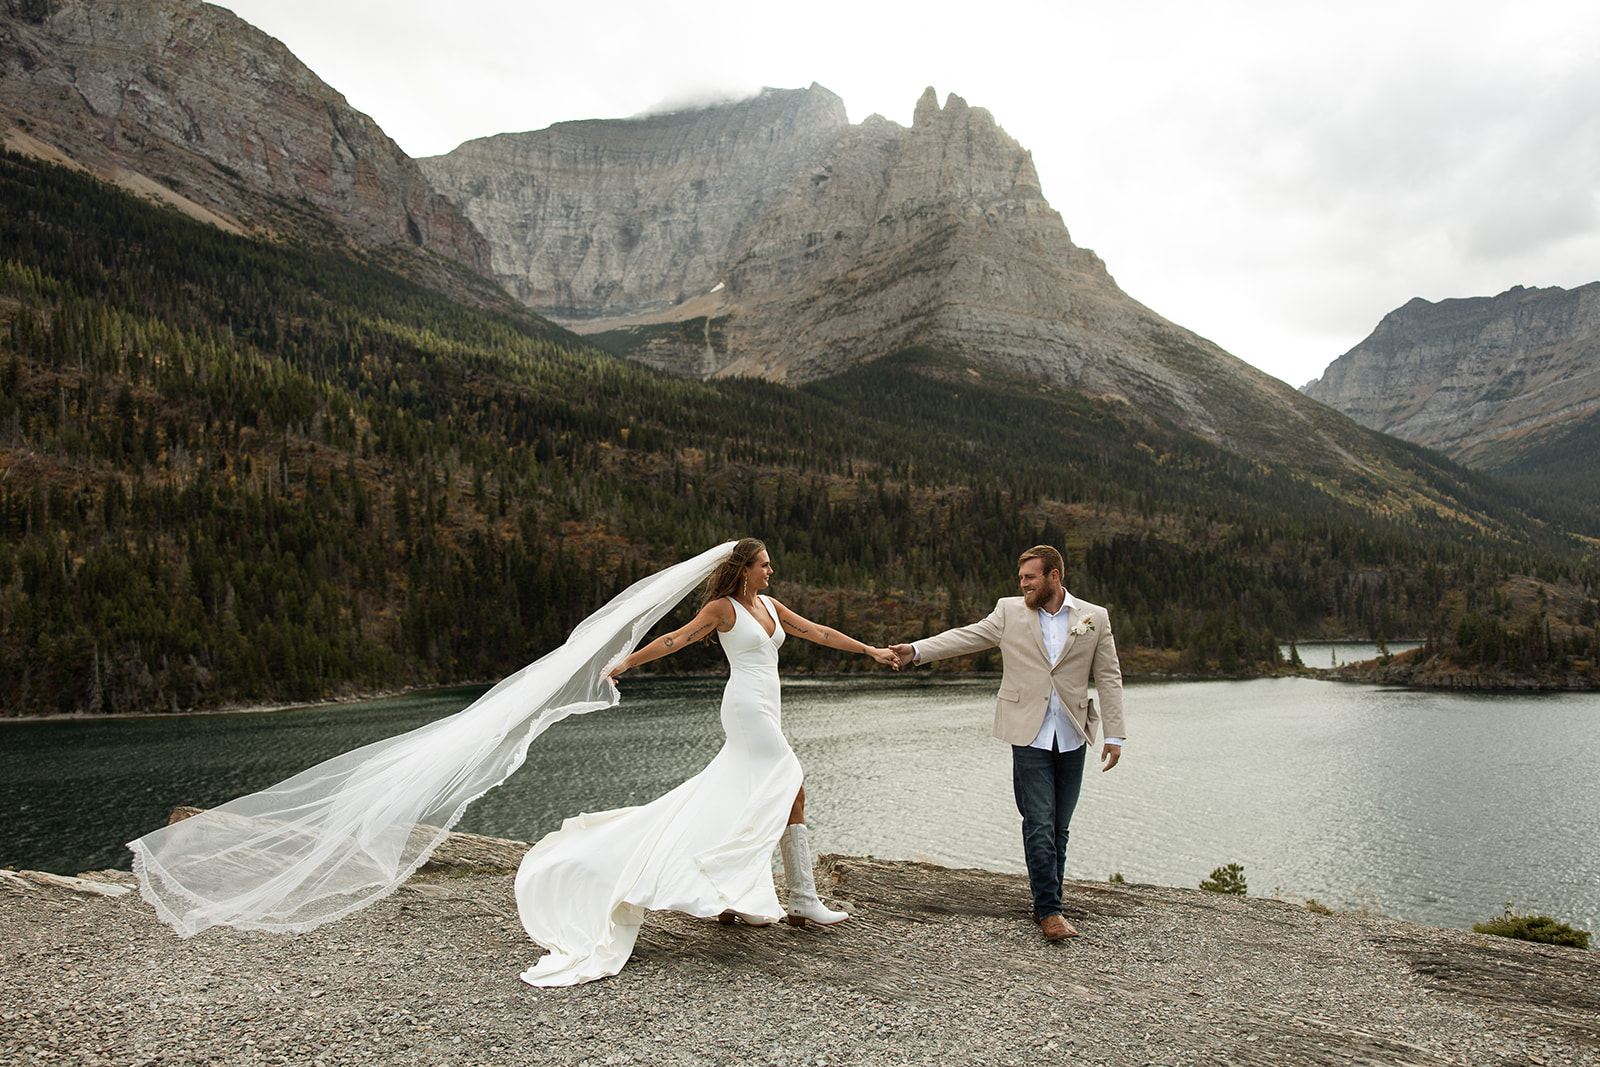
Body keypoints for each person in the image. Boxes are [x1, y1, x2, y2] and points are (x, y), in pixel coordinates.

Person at [515, 537, 899, 986]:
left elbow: (819, 632)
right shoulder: (722, 609)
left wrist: (871, 650)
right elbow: (675, 638)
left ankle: (735, 894)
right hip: (745, 707)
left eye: (769, 565)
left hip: (767, 706)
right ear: (742, 568)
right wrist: (628, 662)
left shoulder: (771, 606)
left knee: (748, 796)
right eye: (763, 565)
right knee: (790, 784)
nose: (770, 572)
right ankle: (802, 898)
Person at [890, 545, 1124, 942]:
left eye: (1030, 577)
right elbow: (965, 638)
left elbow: (1109, 675)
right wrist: (916, 651)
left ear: (1053, 576)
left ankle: (1045, 900)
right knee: (1038, 821)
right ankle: (1050, 912)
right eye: (1021, 578)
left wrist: (1115, 735)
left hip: (1073, 734)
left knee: (1059, 827)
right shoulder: (1008, 611)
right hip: (1026, 731)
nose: (1023, 584)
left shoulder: (1093, 617)